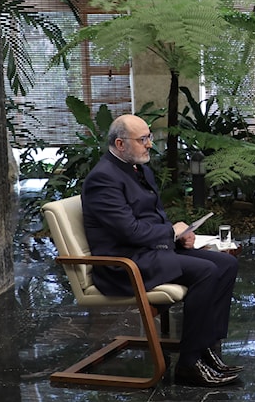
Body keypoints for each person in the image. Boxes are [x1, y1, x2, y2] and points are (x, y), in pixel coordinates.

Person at [81, 113, 242, 387]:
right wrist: (171, 232)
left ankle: (207, 349)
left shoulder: (138, 168)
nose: (149, 144)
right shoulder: (103, 179)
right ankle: (189, 363)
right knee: (206, 271)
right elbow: (129, 231)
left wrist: (180, 237)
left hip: (151, 251)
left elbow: (151, 218)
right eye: (142, 139)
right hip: (124, 264)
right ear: (120, 144)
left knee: (226, 264)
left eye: (149, 137)